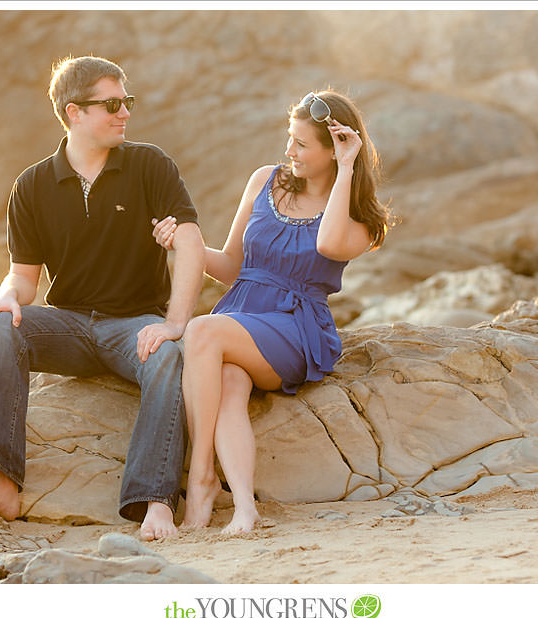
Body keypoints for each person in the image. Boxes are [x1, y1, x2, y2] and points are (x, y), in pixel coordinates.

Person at [0, 56, 205, 541]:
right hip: (67, 326)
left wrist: (174, 322)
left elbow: (189, 242)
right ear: (74, 112)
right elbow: (23, 278)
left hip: (134, 326)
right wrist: (5, 297)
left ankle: (155, 502)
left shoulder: (150, 165)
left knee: (169, 356)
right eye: (111, 104)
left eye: (127, 101)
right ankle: (1, 482)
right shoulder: (33, 185)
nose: (125, 112)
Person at [152, 90, 391, 534]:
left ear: (333, 149)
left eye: (302, 144)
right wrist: (182, 242)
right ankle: (244, 505)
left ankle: (200, 475)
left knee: (201, 331)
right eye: (289, 138)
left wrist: (346, 169)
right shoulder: (266, 180)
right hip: (243, 313)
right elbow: (230, 266)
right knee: (227, 380)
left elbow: (326, 245)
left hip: (294, 328)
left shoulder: (361, 221)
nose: (289, 151)